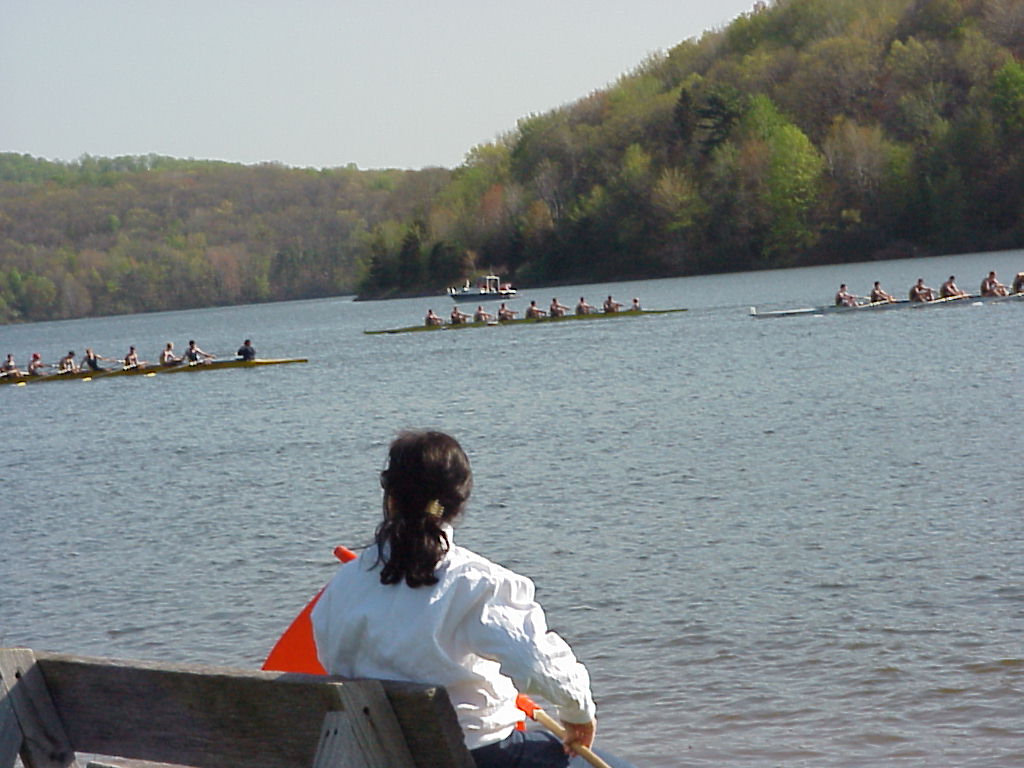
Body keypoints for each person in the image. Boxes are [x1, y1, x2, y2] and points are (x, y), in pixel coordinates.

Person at [311, 431, 635, 768]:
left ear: (390, 496)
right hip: (478, 757)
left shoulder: (345, 584)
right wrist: (578, 713)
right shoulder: (476, 582)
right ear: (457, 502)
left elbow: (332, 657)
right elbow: (536, 665)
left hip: (377, 754)